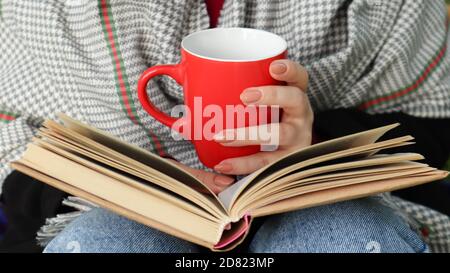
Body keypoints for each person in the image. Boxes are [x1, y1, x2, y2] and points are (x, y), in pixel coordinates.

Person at [1, 0, 450, 253]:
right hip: (99, 212)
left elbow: (430, 120)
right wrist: (110, 183)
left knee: (350, 239)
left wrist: (318, 147)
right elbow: (12, 131)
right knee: (105, 244)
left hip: (321, 202)